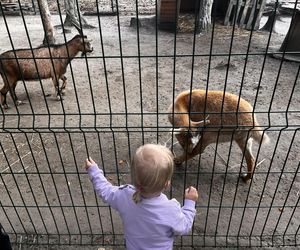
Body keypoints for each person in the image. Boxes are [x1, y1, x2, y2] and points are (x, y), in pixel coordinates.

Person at [85, 144, 198, 250]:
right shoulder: (170, 209)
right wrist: (189, 203)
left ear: (133, 177)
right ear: (166, 184)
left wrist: (94, 171)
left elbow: (105, 190)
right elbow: (184, 226)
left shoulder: (124, 196)